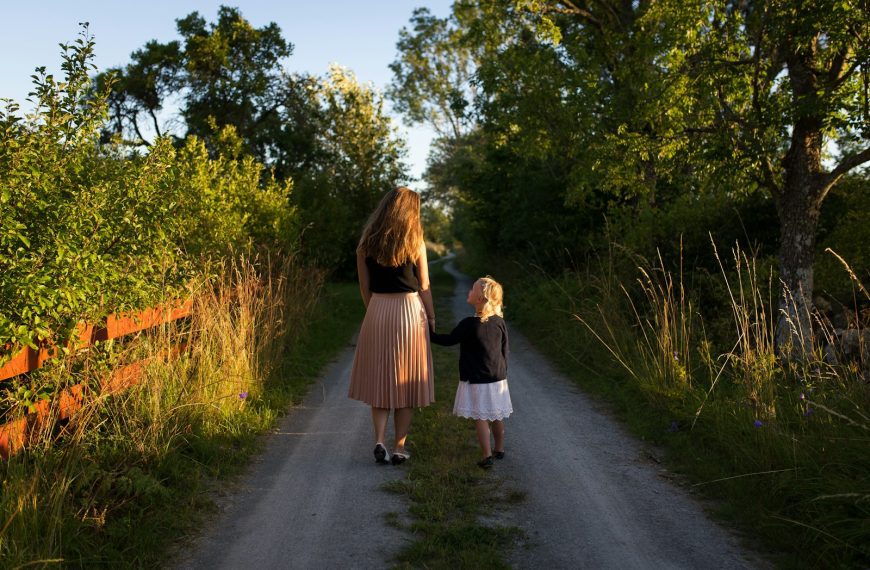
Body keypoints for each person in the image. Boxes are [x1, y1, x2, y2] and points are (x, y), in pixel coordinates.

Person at [348, 187, 436, 466]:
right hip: (409, 310)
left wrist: (374, 310)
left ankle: (378, 441)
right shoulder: (415, 241)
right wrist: (431, 318)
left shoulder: (366, 243)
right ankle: (399, 447)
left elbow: (364, 286)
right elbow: (423, 286)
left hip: (378, 309)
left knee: (381, 380)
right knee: (406, 381)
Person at [429, 276, 512, 469]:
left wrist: (428, 333)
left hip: (476, 379)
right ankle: (499, 449)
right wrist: (503, 371)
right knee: (496, 415)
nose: (469, 292)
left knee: (481, 417)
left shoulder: (468, 324)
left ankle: (486, 455)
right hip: (497, 378)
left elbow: (449, 340)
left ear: (480, 298)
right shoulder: (499, 322)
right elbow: (505, 349)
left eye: (472, 290)